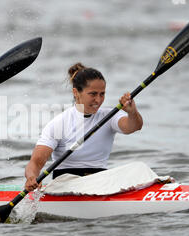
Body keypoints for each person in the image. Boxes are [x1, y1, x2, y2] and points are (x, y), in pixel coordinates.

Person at [24, 63, 143, 191]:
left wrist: (132, 112)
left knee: (139, 167)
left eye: (102, 94)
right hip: (66, 183)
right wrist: (32, 178)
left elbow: (133, 127)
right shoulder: (59, 123)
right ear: (76, 92)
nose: (98, 100)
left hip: (100, 180)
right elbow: (36, 162)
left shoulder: (109, 116)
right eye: (93, 94)